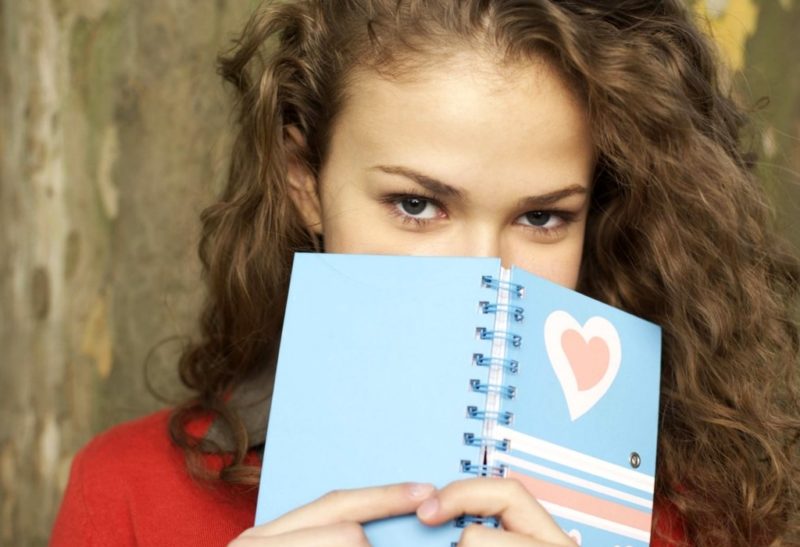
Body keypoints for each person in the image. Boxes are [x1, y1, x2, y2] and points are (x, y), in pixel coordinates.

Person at [50, 1, 800, 546]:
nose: (482, 273)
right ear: (303, 178)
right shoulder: (128, 494)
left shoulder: (690, 515)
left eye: (543, 217)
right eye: (416, 204)